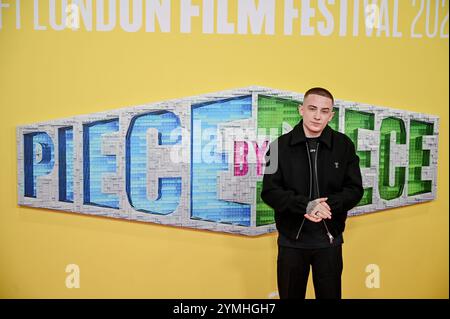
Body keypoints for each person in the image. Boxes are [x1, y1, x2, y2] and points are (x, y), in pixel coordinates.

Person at [261, 87, 363, 299]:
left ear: (331, 115)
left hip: (329, 241)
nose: (318, 116)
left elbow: (355, 189)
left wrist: (328, 206)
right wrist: (306, 205)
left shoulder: (344, 146)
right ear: (301, 110)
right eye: (312, 108)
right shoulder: (277, 147)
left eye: (324, 111)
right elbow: (269, 191)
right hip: (291, 242)